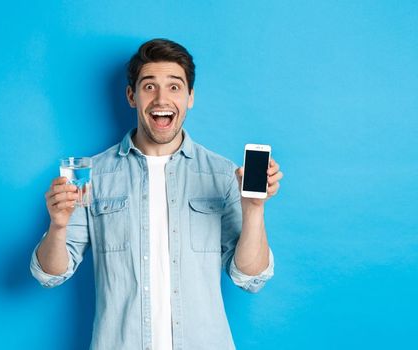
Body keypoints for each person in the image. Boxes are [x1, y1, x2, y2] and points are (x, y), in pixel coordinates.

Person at [31, 38, 283, 350]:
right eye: (149, 86)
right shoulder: (93, 174)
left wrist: (255, 209)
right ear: (131, 96)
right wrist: (57, 226)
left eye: (175, 87)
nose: (162, 98)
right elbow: (50, 274)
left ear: (190, 97)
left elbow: (250, 278)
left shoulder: (223, 174)